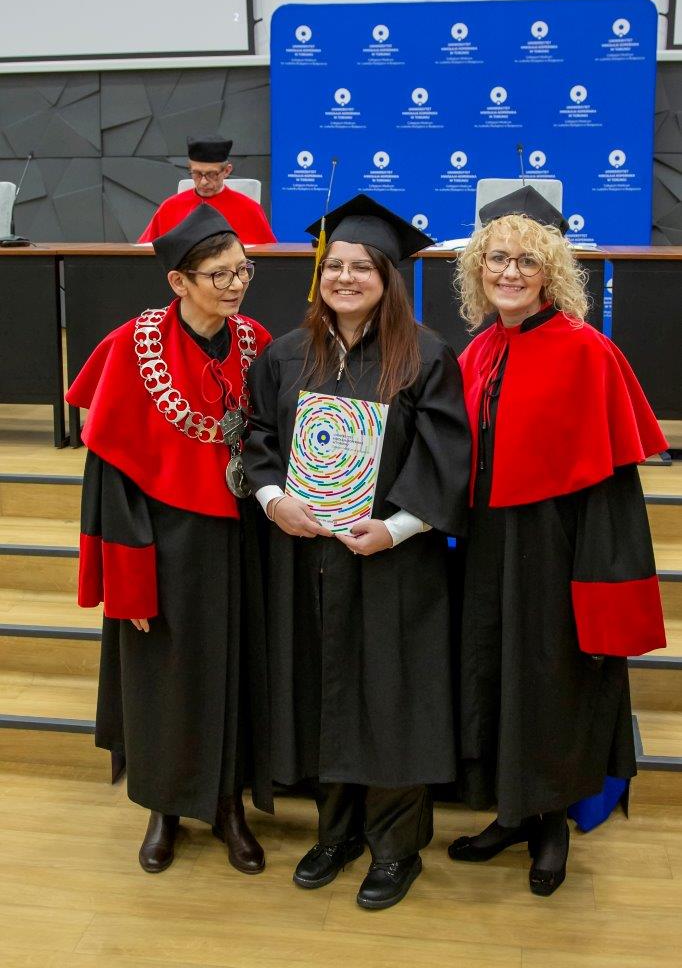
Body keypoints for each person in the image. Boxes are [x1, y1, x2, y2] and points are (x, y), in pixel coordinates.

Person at [242, 194, 471, 910]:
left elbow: (445, 458)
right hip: (308, 557)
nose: (344, 278)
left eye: (361, 267)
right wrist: (272, 499)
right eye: (334, 265)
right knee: (324, 692)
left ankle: (396, 848)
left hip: (393, 562)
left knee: (393, 698)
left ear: (388, 277)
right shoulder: (286, 354)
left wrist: (395, 528)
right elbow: (257, 440)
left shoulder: (427, 356)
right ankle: (336, 833)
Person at [449, 185, 667, 896]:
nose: (510, 273)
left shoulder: (587, 352)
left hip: (558, 548)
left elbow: (611, 489)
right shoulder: (479, 350)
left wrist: (601, 577)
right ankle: (512, 811)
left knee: (552, 681)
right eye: (497, 259)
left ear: (551, 273)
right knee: (495, 674)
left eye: (527, 262)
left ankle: (550, 825)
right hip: (487, 545)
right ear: (478, 269)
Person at [66, 204, 273, 875]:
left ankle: (229, 806)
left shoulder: (255, 341)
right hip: (160, 544)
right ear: (179, 282)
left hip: (240, 539)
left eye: (242, 270)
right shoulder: (133, 346)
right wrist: (127, 582)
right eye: (219, 275)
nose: (236, 285)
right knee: (162, 677)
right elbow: (111, 476)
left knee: (237, 671)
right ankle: (163, 808)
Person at [138, 134, 276, 244]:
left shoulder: (249, 209)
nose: (203, 182)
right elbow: (144, 252)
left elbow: (270, 258)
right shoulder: (169, 207)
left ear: (227, 171)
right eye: (197, 173)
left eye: (211, 174)